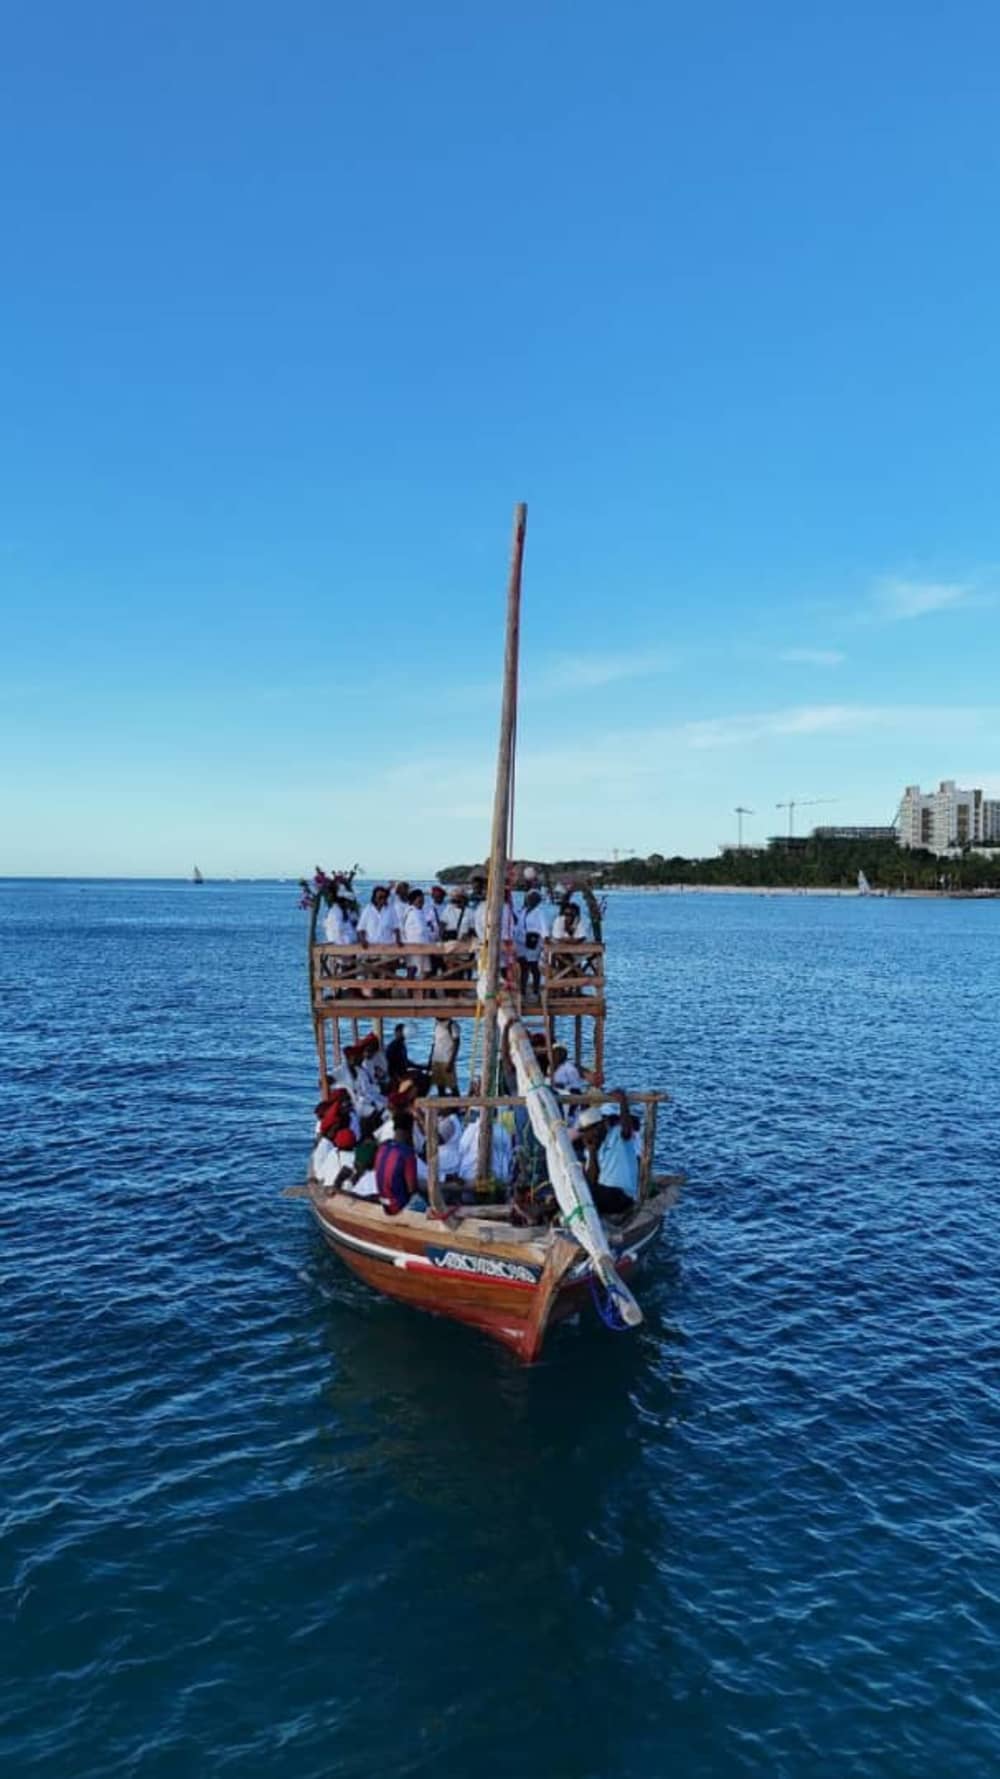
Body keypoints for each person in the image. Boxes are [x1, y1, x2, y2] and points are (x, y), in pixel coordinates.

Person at [574, 1090, 640, 1215]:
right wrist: (592, 1152)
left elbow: (627, 1129)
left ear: (602, 1125)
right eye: (587, 1131)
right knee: (581, 1190)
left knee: (588, 1193)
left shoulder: (617, 1134)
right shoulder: (590, 1149)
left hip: (623, 1195)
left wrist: (623, 1102)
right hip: (604, 1194)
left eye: (594, 1128)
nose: (592, 1133)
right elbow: (592, 1179)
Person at [375, 1111, 427, 1215]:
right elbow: (412, 1189)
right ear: (411, 1129)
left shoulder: (383, 1147)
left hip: (383, 1201)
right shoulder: (407, 1153)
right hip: (398, 1206)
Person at [519, 889, 550, 998]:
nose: (530, 900)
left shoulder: (539, 911)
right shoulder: (524, 911)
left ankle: (536, 990)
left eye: (532, 899)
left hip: (535, 940)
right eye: (529, 898)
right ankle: (522, 990)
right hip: (523, 940)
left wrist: (545, 938)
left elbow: (544, 926)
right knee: (523, 965)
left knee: (533, 964)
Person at [428, 1015, 461, 1094]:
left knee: (453, 1086)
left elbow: (457, 1044)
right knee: (440, 1086)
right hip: (436, 1060)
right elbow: (435, 1043)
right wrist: (430, 1060)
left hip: (447, 1060)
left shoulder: (452, 1025)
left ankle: (457, 1102)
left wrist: (451, 1062)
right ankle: (442, 1101)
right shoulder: (437, 1024)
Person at [403, 889, 430, 978]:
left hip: (422, 947)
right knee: (415, 970)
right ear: (413, 900)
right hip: (415, 946)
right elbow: (421, 930)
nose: (422, 902)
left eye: (422, 900)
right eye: (419, 900)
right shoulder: (412, 912)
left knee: (422, 971)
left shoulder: (419, 912)